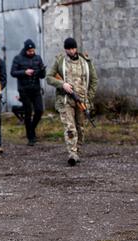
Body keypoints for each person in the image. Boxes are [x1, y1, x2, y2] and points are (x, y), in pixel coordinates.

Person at [47, 37, 98, 166]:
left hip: (82, 100)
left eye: (73, 48)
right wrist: (62, 84)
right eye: (69, 49)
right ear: (65, 49)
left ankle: (77, 151)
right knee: (70, 128)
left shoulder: (85, 62)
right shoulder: (60, 61)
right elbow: (48, 77)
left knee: (80, 128)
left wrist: (89, 98)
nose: (71, 51)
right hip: (65, 100)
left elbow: (94, 80)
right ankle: (72, 154)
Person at [11, 39, 46, 146]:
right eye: (29, 51)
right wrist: (24, 72)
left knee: (39, 110)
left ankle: (31, 129)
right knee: (28, 112)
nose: (32, 52)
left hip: (36, 89)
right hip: (24, 90)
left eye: (33, 50)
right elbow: (13, 72)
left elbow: (42, 76)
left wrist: (42, 71)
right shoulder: (18, 58)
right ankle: (31, 138)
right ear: (26, 50)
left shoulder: (38, 58)